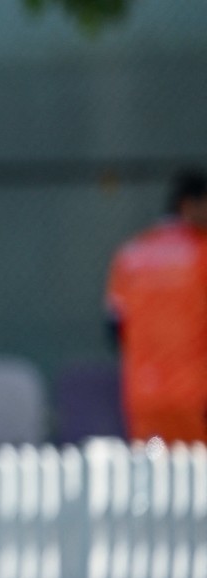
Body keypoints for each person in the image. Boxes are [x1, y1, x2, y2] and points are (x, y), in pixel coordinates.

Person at [105, 168, 207, 443]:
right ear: (190, 204)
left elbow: (115, 328)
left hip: (142, 397)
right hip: (196, 399)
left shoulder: (131, 254)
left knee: (153, 479)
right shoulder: (201, 252)